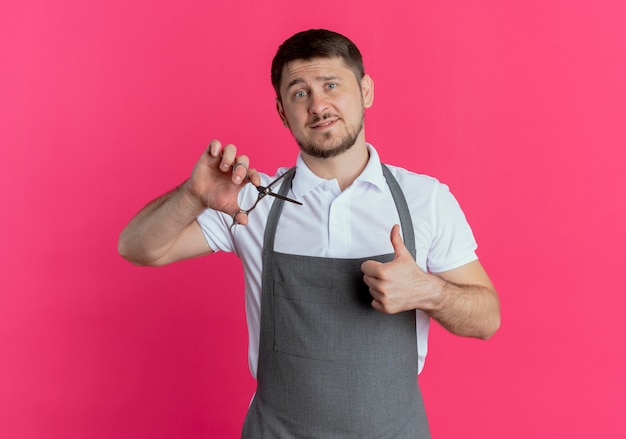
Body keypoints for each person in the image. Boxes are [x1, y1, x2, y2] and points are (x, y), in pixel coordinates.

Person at [119, 29, 500, 438]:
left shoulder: (425, 199)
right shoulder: (248, 200)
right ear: (283, 112)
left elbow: (487, 319)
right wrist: (194, 195)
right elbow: (138, 248)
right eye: (299, 93)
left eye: (331, 85)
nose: (319, 105)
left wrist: (427, 292)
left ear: (366, 91)